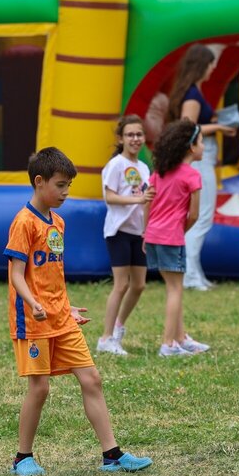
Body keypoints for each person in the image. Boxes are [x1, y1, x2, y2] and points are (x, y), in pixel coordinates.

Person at [4, 147, 153, 476]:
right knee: (40, 388)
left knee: (91, 378)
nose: (66, 192)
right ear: (39, 182)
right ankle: (22, 458)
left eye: (68, 186)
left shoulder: (58, 222)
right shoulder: (24, 222)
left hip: (61, 317)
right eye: (60, 185)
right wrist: (34, 303)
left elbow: (51, 273)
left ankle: (112, 456)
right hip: (33, 321)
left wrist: (65, 307)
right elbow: (17, 275)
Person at [166, 44, 237, 291]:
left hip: (203, 158)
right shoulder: (192, 95)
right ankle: (189, 275)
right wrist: (218, 127)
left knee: (202, 216)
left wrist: (215, 120)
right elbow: (188, 127)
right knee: (201, 216)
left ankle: (195, 272)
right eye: (210, 64)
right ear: (201, 65)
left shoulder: (193, 91)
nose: (213, 68)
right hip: (199, 161)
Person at [144, 120, 211, 357]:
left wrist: (146, 233)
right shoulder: (192, 176)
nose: (204, 146)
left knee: (173, 288)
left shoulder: (159, 173)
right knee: (175, 289)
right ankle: (168, 344)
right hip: (171, 238)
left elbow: (148, 204)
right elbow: (194, 215)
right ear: (191, 147)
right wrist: (181, 230)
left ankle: (180, 338)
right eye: (201, 141)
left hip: (153, 236)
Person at [97, 115, 154, 356]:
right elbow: (109, 197)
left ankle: (118, 327)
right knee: (121, 285)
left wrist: (147, 231)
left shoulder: (144, 168)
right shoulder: (116, 165)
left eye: (139, 134)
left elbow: (148, 202)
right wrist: (137, 199)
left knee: (138, 285)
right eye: (130, 135)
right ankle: (105, 338)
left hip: (138, 233)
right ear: (121, 139)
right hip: (118, 231)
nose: (135, 139)